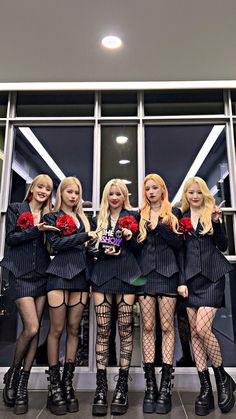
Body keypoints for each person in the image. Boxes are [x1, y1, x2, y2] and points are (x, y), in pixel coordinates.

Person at [178, 176, 235, 416]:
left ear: (203, 194)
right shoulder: (180, 220)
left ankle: (222, 379)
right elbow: (179, 253)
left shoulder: (211, 214)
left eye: (198, 192)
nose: (194, 196)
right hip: (190, 281)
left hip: (212, 277)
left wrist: (218, 222)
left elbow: (222, 245)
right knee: (195, 335)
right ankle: (205, 389)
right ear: (186, 195)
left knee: (203, 329)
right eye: (190, 192)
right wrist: (180, 281)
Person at [43, 177, 97, 415]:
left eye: (77, 192)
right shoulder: (51, 218)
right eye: (69, 192)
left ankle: (67, 383)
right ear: (61, 193)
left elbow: (90, 249)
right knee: (56, 330)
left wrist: (99, 245)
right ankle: (54, 385)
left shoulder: (86, 219)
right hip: (57, 276)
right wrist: (85, 237)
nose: (73, 196)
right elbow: (56, 245)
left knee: (74, 329)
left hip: (81, 277)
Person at [0, 174, 53, 414]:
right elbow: (11, 238)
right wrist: (36, 229)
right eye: (40, 186)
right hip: (20, 274)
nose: (43, 191)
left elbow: (51, 246)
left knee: (35, 332)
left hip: (41, 275)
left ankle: (23, 384)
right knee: (30, 327)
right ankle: (12, 373)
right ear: (33, 188)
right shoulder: (16, 209)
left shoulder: (50, 215)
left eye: (48, 189)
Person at [90, 179, 141, 416]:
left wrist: (129, 239)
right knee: (103, 330)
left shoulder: (133, 216)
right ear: (106, 196)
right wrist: (102, 249)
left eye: (118, 193)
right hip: (101, 275)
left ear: (124, 195)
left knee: (125, 330)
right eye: (110, 193)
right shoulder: (97, 219)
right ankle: (101, 389)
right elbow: (89, 249)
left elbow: (142, 248)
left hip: (127, 275)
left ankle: (121, 387)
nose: (114, 197)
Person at [136, 173, 182, 414]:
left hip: (167, 274)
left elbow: (179, 245)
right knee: (147, 327)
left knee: (166, 327)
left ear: (162, 190)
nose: (151, 192)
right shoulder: (138, 215)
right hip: (144, 276)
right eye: (147, 189)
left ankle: (165, 386)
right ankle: (150, 386)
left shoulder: (174, 214)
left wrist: (160, 228)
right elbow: (134, 248)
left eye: (155, 188)